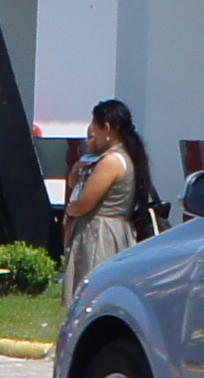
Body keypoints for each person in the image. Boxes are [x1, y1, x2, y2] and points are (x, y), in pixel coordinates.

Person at [61, 98, 155, 276]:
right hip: (114, 232)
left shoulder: (111, 161)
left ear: (107, 128)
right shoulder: (127, 156)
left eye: (94, 128)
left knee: (93, 291)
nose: (93, 135)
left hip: (101, 236)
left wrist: (71, 209)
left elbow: (84, 204)